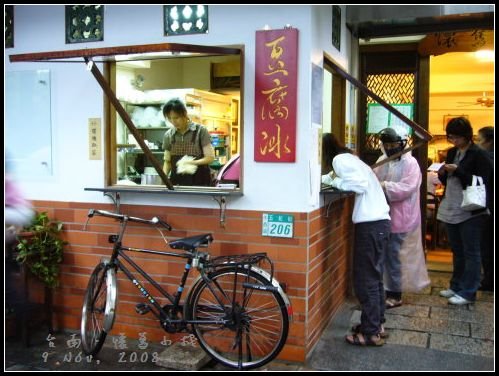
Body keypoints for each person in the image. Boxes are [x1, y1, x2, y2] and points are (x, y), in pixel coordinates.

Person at [321, 133, 391, 346]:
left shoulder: (339, 160)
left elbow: (357, 185)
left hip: (371, 226)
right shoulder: (351, 159)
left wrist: (336, 181)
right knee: (374, 278)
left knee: (365, 280)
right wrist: (332, 179)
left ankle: (369, 333)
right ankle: (377, 324)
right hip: (379, 224)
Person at [436, 117, 493, 305]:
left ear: (467, 136)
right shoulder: (452, 152)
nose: (453, 141)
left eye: (457, 137)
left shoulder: (479, 154)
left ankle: (469, 291)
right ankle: (456, 285)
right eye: (450, 137)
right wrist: (443, 173)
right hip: (452, 205)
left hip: (472, 209)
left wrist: (458, 170)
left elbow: (483, 181)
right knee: (457, 250)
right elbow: (448, 180)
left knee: (471, 251)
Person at [373, 128, 430, 309]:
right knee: (385, 255)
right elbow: (373, 179)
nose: (389, 148)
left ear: (403, 143)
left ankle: (395, 294)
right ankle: (385, 289)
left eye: (393, 144)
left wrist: (384, 186)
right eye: (387, 144)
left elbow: (407, 188)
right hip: (383, 215)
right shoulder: (383, 160)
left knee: (395, 257)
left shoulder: (410, 163)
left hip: (402, 217)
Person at [162, 98, 215, 186]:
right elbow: (167, 162)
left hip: (200, 182)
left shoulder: (200, 131)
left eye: (176, 118)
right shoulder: (169, 135)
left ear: (185, 114)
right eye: (170, 118)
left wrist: (191, 163)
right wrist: (163, 179)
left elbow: (210, 158)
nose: (173, 122)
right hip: (177, 183)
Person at [476, 126, 494, 291]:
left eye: (480, 140)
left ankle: (489, 280)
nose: (478, 144)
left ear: (489, 141)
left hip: (488, 207)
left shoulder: (487, 159)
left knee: (487, 244)